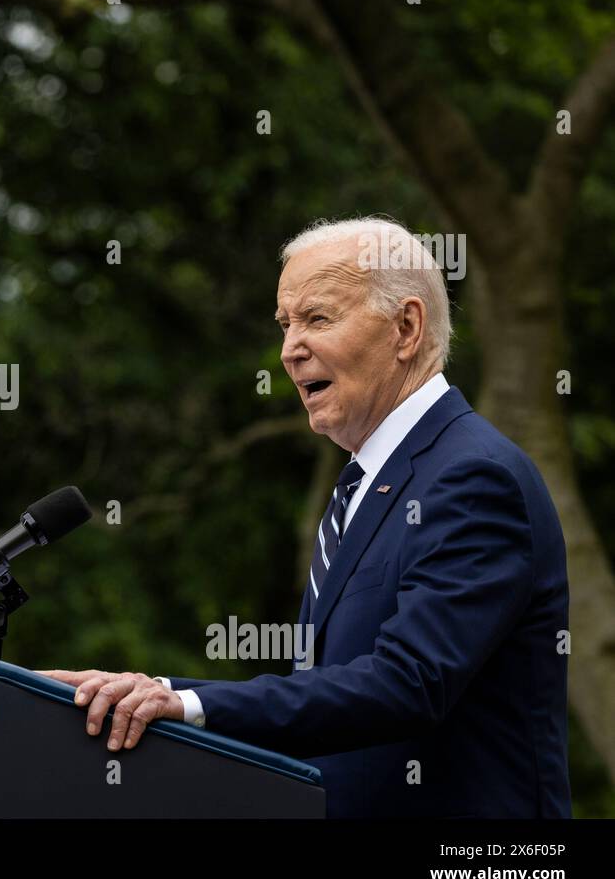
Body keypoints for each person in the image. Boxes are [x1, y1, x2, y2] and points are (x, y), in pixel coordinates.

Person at [40, 216, 570, 817]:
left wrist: (185, 703)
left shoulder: (472, 476)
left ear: (406, 327)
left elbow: (408, 682)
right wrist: (155, 693)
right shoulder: (369, 485)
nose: (291, 348)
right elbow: (326, 700)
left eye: (318, 319)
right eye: (286, 324)